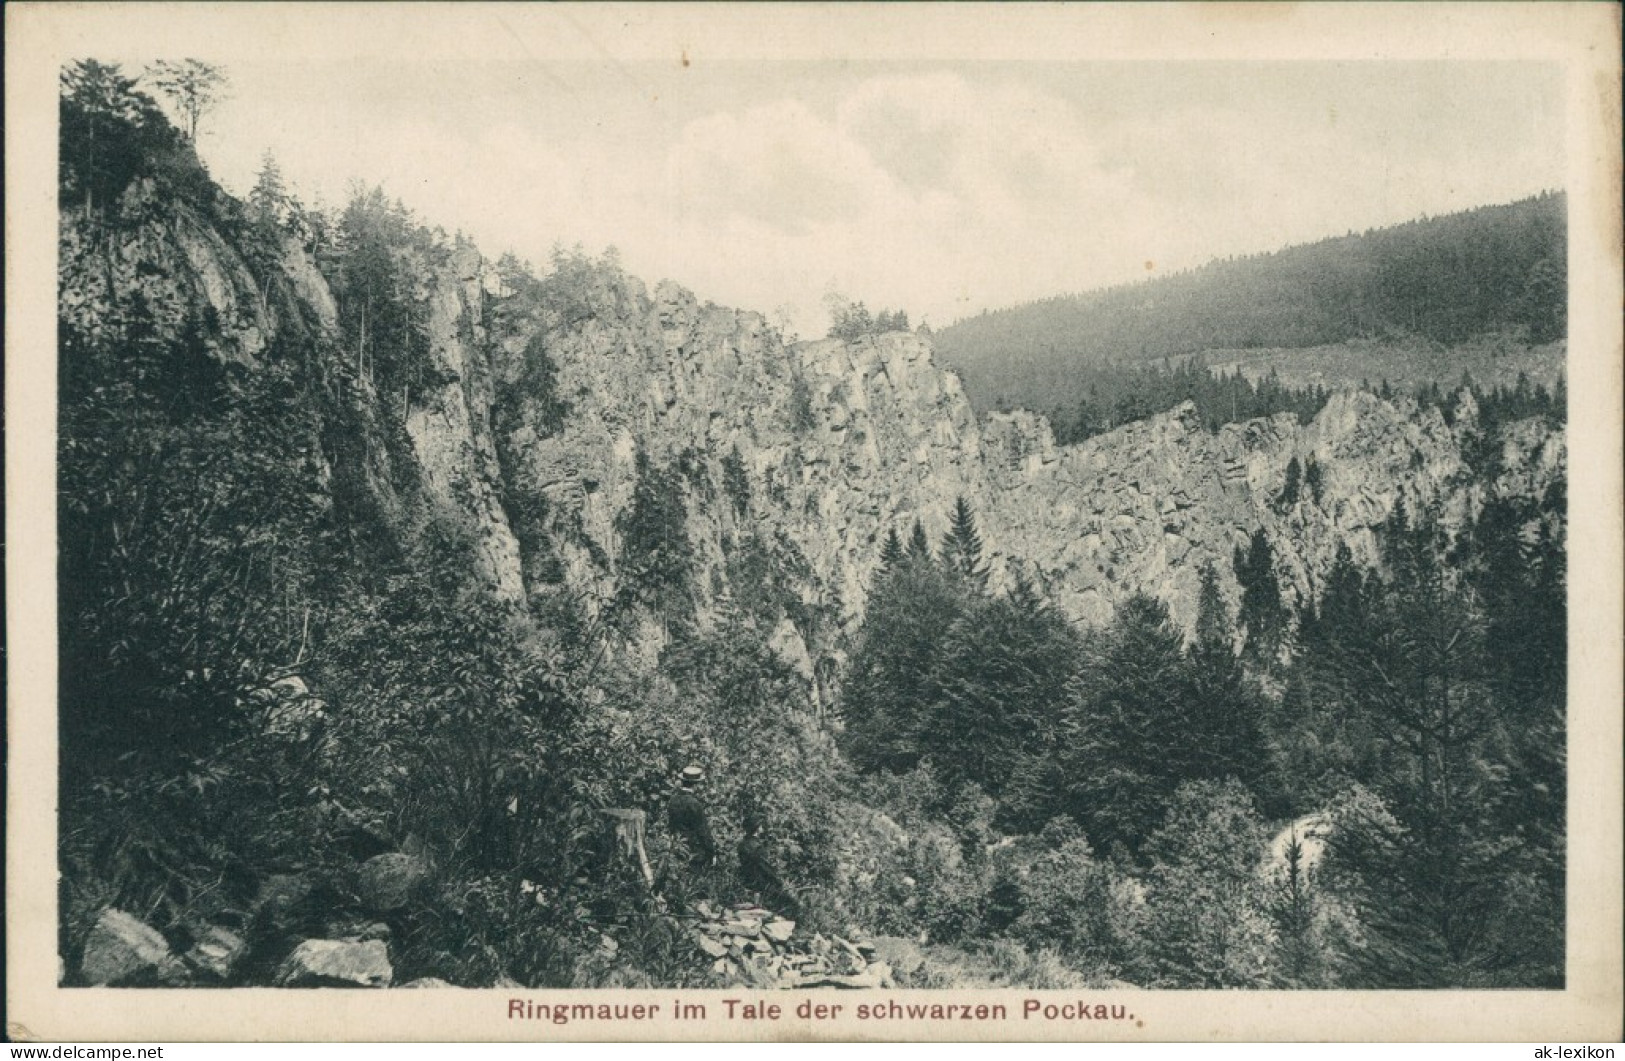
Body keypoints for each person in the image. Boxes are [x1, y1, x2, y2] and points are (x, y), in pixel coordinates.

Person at [737, 807, 800, 918]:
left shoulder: (742, 844)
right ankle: (790, 925)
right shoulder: (757, 847)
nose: (763, 827)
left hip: (746, 879)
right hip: (760, 882)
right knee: (793, 902)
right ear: (757, 828)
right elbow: (765, 868)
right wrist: (778, 882)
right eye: (761, 825)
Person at [666, 764, 716, 870]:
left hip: (676, 847)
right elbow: (703, 831)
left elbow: (671, 825)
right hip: (693, 851)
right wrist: (711, 853)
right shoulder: (694, 804)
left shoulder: (672, 801)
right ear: (695, 785)